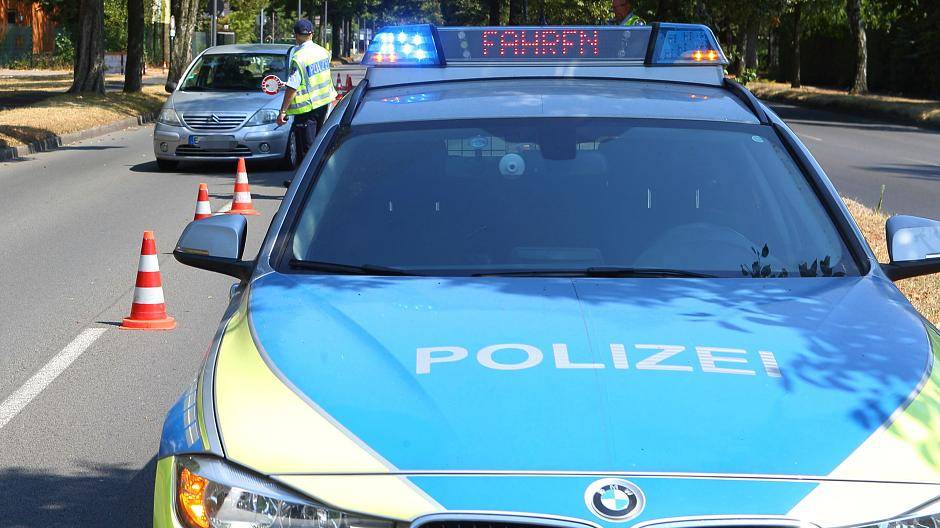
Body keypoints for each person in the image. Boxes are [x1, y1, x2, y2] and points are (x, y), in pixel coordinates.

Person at [276, 19, 336, 158]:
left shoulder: (299, 58)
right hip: (324, 105)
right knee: (321, 145)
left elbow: (293, 87)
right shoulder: (323, 52)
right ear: (312, 34)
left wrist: (282, 111)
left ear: (296, 35)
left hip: (307, 110)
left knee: (308, 152)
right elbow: (312, 77)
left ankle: (311, 172)